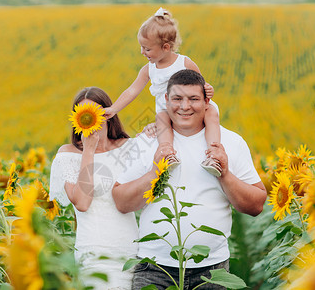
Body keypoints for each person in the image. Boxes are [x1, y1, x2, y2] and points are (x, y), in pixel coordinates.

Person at [112, 69, 267, 289]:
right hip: (155, 271)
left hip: (211, 273)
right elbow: (121, 201)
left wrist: (225, 174)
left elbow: (256, 205)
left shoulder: (231, 143)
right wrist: (156, 171)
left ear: (207, 102)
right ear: (166, 100)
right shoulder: (147, 142)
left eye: (194, 99)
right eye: (177, 99)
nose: (185, 107)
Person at [104, 7, 222, 176]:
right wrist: (113, 109)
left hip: (191, 108)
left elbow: (201, 85)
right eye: (141, 47)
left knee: (212, 112)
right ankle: (167, 152)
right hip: (168, 112)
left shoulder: (185, 63)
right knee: (161, 118)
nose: (142, 52)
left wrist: (208, 90)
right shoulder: (148, 69)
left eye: (147, 49)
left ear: (166, 47)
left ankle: (214, 152)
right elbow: (132, 90)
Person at [49, 87, 139, 290]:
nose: (91, 121)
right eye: (84, 116)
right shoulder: (68, 155)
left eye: (96, 114)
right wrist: (88, 150)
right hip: (95, 253)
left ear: (108, 115)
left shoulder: (129, 148)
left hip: (132, 251)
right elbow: (82, 202)